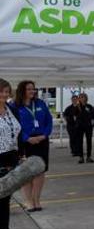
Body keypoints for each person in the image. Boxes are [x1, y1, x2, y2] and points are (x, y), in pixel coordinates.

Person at [11, 80, 52, 212]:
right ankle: (28, 202)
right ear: (22, 90)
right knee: (26, 173)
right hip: (24, 143)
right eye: (29, 89)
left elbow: (49, 121)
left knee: (40, 171)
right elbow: (13, 126)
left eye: (33, 89)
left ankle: (36, 200)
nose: (32, 91)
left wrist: (44, 135)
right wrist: (26, 138)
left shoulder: (40, 103)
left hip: (41, 141)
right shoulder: (15, 106)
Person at [0, 78, 21, 229]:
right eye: (1, 91)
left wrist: (19, 156)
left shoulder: (10, 109)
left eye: (7, 91)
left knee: (5, 203)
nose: (4, 95)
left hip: (11, 159)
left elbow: (16, 133)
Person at [76, 93, 94, 164]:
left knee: (89, 141)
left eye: (83, 97)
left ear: (86, 98)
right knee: (80, 142)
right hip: (79, 126)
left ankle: (88, 157)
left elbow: (92, 114)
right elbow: (75, 115)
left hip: (88, 126)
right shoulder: (77, 106)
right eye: (81, 97)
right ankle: (81, 157)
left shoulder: (89, 106)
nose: (82, 98)